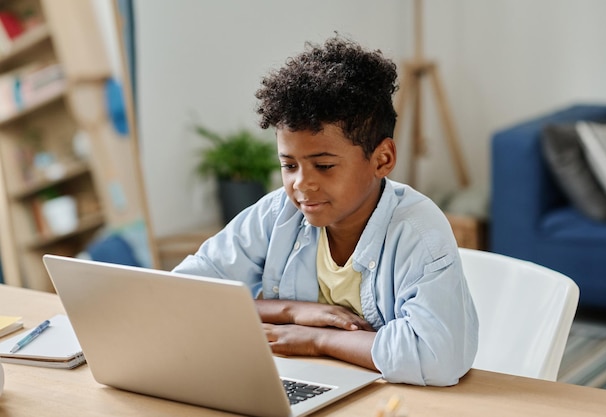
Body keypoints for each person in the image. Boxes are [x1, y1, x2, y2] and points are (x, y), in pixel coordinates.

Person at [173, 35, 478, 386]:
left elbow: (435, 358)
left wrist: (319, 339)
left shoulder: (418, 233)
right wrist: (292, 311)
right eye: (289, 166)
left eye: (324, 166)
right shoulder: (277, 214)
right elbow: (185, 296)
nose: (302, 184)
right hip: (300, 384)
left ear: (383, 159)